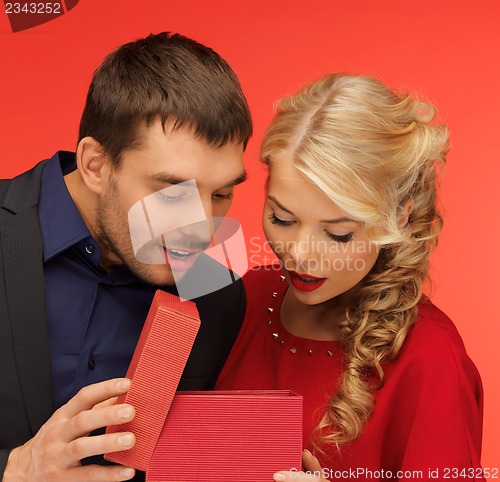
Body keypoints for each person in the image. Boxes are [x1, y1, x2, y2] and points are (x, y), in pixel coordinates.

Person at [0, 32, 252, 481]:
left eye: (223, 193)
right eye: (173, 191)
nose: (200, 230)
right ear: (96, 164)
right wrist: (14, 469)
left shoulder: (217, 294)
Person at [216, 73, 484, 481]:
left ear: (398, 215)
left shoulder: (430, 361)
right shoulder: (247, 296)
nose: (299, 253)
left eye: (337, 233)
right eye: (281, 218)